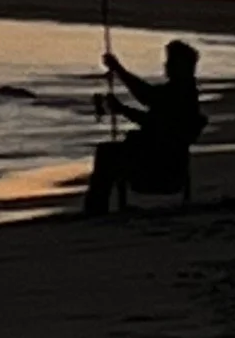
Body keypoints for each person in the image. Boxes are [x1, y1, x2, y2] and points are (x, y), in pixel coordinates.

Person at [83, 39, 207, 215]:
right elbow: (152, 113)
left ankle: (95, 210)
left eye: (171, 62)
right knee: (108, 151)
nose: (166, 65)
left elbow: (148, 101)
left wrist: (118, 70)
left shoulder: (180, 94)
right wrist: (121, 108)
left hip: (157, 166)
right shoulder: (183, 93)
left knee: (107, 154)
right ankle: (97, 209)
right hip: (161, 162)